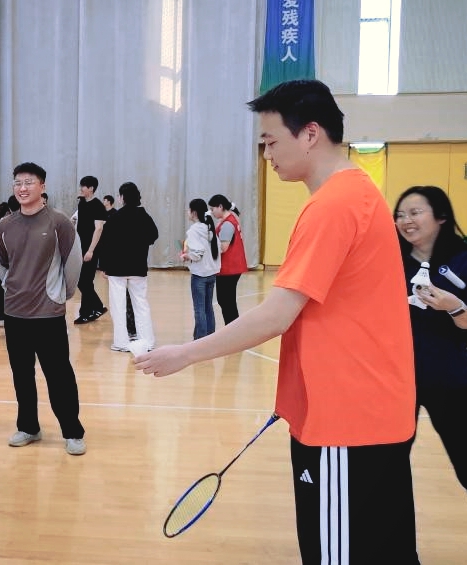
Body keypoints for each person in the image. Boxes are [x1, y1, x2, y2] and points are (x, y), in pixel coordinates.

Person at [136, 80, 420, 564]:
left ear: (310, 134)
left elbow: (276, 314)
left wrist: (184, 353)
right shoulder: (355, 193)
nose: (266, 153)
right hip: (367, 414)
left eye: (270, 141)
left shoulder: (333, 204)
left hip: (346, 422)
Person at [0, 162, 86, 456]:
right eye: (18, 183)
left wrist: (60, 295)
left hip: (48, 314)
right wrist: (13, 290)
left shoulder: (59, 222)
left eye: (29, 182)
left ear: (42, 186)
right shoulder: (5, 225)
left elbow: (73, 263)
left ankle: (72, 431)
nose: (22, 188)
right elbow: (1, 264)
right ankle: (28, 427)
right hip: (15, 314)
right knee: (21, 375)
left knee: (59, 375)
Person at [394, 185, 467, 492]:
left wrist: (455, 307)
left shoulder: (462, 259)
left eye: (415, 212)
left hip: (453, 380)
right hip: (398, 381)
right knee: (388, 465)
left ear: (441, 217)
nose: (405, 220)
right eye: (400, 215)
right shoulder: (389, 261)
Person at [99, 182, 158, 352]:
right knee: (141, 304)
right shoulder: (144, 216)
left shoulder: (115, 217)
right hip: (138, 267)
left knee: (118, 306)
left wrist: (104, 266)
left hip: (117, 269)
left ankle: (121, 343)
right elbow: (153, 236)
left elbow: (105, 243)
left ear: (122, 198)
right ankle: (147, 342)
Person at [180, 198, 221, 339]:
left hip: (199, 275)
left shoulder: (194, 230)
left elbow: (197, 253)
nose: (187, 212)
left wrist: (186, 256)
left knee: (199, 309)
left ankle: (200, 340)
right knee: (208, 307)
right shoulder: (209, 228)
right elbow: (217, 249)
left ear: (194, 212)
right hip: (211, 273)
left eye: (189, 209)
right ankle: (210, 338)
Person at [208, 194, 248, 324]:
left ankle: (233, 329)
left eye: (213, 209)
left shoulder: (227, 224)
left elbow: (223, 247)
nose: (212, 212)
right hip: (231, 267)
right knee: (226, 301)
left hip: (230, 268)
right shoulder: (229, 219)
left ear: (220, 207)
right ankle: (233, 329)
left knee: (226, 301)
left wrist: (206, 250)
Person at [74, 175, 108, 324]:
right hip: (80, 247)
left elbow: (99, 229)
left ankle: (86, 313)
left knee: (85, 281)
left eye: (83, 186)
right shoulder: (82, 203)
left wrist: (91, 250)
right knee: (83, 281)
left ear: (91, 188)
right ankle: (97, 307)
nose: (81, 188)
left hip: (91, 248)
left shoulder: (98, 206)